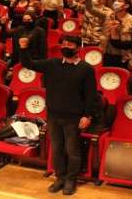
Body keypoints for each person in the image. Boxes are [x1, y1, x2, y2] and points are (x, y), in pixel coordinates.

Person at [19, 35, 96, 196]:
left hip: (73, 117)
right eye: (64, 43)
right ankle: (60, 177)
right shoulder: (52, 64)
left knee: (72, 150)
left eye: (70, 44)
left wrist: (87, 116)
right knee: (57, 148)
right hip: (53, 115)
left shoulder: (86, 69)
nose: (65, 46)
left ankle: (71, 179)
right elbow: (29, 64)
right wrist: (24, 48)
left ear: (78, 48)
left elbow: (90, 95)